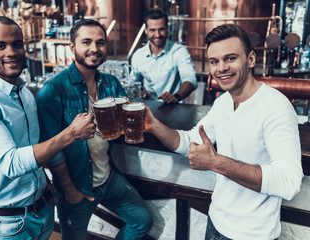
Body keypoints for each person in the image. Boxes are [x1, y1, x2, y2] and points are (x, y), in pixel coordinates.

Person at [144, 24, 303, 239]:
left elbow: (289, 182)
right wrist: (153, 125)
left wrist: (215, 162)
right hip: (216, 223)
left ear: (251, 60)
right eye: (214, 61)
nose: (221, 68)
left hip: (251, 235)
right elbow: (191, 141)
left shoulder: (275, 107)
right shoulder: (224, 102)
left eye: (230, 58)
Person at [0, 16, 95, 240]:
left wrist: (46, 187)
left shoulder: (24, 92)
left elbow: (33, 147)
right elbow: (11, 163)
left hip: (41, 212)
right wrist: (70, 134)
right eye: (0, 46)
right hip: (6, 224)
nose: (11, 52)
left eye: (16, 44)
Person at [37, 19, 152, 240]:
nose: (94, 49)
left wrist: (132, 122)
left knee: (141, 220)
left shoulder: (111, 83)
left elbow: (119, 132)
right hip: (76, 186)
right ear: (72, 47)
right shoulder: (53, 90)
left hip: (108, 179)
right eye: (86, 42)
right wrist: (69, 190)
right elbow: (53, 151)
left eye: (100, 42)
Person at [131, 8, 197, 104]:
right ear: (146, 30)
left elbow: (190, 79)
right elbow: (132, 83)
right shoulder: (138, 55)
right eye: (152, 30)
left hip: (173, 107)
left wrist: (176, 96)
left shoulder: (179, 51)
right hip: (149, 107)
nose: (157, 35)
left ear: (167, 28)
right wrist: (140, 92)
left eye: (161, 29)